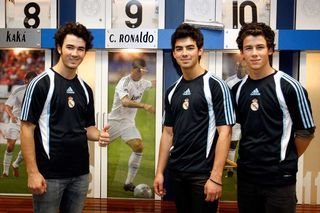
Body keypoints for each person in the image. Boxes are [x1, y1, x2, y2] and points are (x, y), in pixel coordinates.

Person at [20, 22, 110, 213]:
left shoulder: (85, 89)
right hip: (49, 175)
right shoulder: (41, 84)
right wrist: (32, 172)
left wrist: (99, 135)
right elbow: (26, 129)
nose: (75, 53)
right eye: (70, 47)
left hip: (80, 174)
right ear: (59, 48)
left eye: (80, 49)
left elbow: (87, 128)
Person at [232, 22, 315, 213]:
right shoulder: (237, 90)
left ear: (270, 50)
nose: (254, 53)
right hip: (247, 179)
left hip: (279, 181)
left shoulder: (289, 86)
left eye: (260, 47)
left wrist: (283, 159)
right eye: (248, 48)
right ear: (242, 53)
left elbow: (306, 132)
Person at [153, 23, 235, 213]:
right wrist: (159, 172)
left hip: (203, 175)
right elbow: (167, 133)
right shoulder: (172, 90)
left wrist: (215, 177)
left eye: (190, 48)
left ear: (200, 51)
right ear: (173, 53)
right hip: (177, 172)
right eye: (179, 49)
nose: (184, 53)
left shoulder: (215, 86)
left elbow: (225, 132)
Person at [108, 58, 155, 192]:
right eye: (138, 70)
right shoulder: (124, 82)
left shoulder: (143, 82)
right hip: (114, 122)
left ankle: (128, 183)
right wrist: (144, 105)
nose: (140, 73)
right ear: (132, 69)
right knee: (97, 145)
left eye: (143, 71)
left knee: (138, 146)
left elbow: (152, 83)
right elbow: (125, 102)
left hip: (128, 124)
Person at [2, 71, 37, 177]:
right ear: (26, 80)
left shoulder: (39, 91)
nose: (29, 82)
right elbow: (7, 106)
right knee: (10, 146)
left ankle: (16, 164)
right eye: (28, 80)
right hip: (15, 121)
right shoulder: (18, 90)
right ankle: (5, 171)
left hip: (30, 123)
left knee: (27, 148)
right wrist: (11, 115)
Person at [224, 59, 247, 177]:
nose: (241, 68)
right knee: (232, 145)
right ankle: (230, 170)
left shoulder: (251, 81)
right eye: (239, 66)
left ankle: (245, 168)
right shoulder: (229, 82)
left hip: (249, 121)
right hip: (235, 121)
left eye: (243, 66)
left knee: (247, 145)